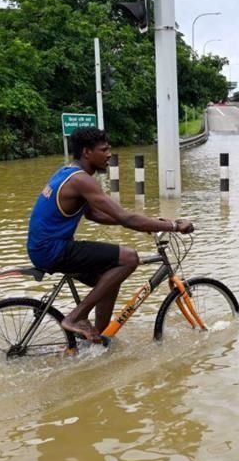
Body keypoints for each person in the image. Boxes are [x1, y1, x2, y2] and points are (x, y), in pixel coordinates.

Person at [26, 127, 193, 343]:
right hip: (53, 250)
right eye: (104, 150)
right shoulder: (81, 180)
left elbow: (95, 214)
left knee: (110, 279)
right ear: (87, 152)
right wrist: (173, 225)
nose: (108, 155)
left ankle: (98, 340)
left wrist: (150, 223)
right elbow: (126, 218)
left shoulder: (67, 172)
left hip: (44, 247)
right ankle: (76, 317)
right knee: (129, 258)